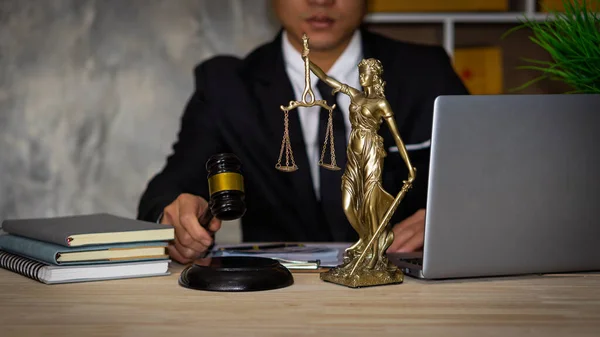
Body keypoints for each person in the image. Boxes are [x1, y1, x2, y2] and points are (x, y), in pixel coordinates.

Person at [137, 0, 469, 264]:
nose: (321, 1)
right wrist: (173, 218)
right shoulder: (228, 87)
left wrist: (451, 217)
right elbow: (169, 187)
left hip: (400, 285)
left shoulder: (426, 72)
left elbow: (486, 179)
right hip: (279, 294)